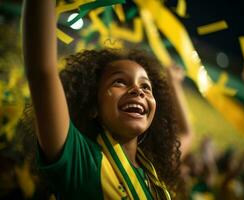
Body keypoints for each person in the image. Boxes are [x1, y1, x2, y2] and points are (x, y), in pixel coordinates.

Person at [22, 0, 186, 199]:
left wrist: (174, 83)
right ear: (93, 106)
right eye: (119, 82)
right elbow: (42, 72)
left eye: (146, 86)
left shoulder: (153, 172)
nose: (137, 90)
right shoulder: (82, 162)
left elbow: (187, 134)